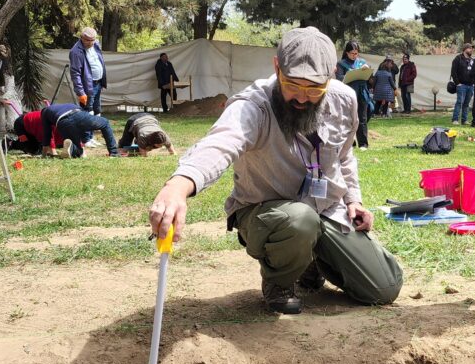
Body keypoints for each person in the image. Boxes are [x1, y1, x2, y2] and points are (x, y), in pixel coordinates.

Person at [149, 27, 403, 314]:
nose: (302, 98)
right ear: (276, 67)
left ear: (331, 75)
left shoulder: (344, 100)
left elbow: (344, 156)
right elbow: (220, 143)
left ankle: (309, 260)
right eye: (292, 84)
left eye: (314, 89)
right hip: (266, 213)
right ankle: (279, 281)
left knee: (384, 286)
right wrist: (179, 186)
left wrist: (353, 201)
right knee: (299, 220)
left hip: (326, 209)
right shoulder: (253, 105)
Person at [69, 27, 107, 146]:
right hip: (87, 86)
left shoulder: (95, 45)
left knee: (96, 110)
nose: (91, 43)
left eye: (93, 40)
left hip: (98, 83)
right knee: (87, 112)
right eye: (88, 41)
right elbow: (75, 73)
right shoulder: (76, 52)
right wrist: (80, 92)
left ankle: (91, 137)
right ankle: (85, 139)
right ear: (82, 38)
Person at [40, 102, 120, 159]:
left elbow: (47, 134)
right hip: (79, 115)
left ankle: (75, 149)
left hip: (63, 122)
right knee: (105, 123)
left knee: (77, 149)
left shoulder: (45, 112)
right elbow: (84, 117)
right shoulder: (69, 104)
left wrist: (43, 155)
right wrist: (85, 139)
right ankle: (114, 153)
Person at [335, 40, 372, 148]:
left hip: (362, 93)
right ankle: (350, 142)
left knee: (362, 118)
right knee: (348, 119)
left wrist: (367, 70)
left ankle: (363, 144)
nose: (354, 56)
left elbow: (369, 78)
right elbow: (339, 78)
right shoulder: (341, 64)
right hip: (348, 94)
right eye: (352, 53)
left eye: (356, 53)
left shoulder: (362, 62)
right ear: (347, 52)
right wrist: (351, 73)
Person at [449, 42, 475, 125]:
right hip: (461, 85)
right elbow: (453, 72)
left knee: (466, 103)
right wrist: (457, 83)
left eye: (472, 48)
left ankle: (464, 120)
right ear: (465, 49)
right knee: (459, 102)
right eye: (470, 48)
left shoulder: (472, 60)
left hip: (470, 85)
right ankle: (455, 119)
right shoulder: (458, 58)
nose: (471, 50)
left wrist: (473, 82)